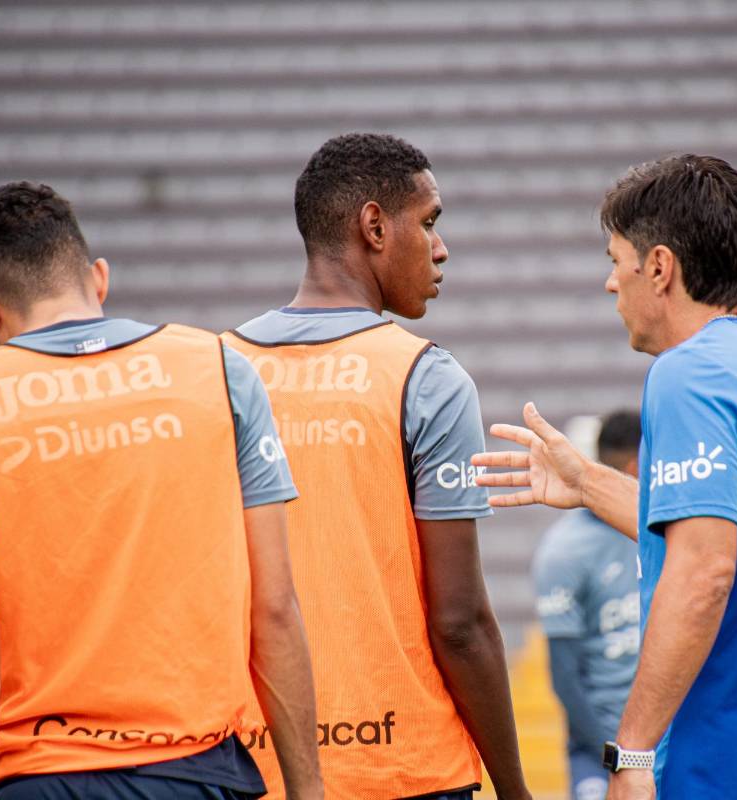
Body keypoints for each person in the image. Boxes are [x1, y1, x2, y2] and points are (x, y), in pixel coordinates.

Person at [0, 182, 322, 799]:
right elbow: (275, 606)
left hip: (36, 779)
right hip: (198, 773)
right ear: (99, 278)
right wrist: (308, 790)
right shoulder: (219, 371)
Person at [474, 155, 737, 799]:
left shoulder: (692, 373)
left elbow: (706, 571)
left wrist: (633, 753)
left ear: (658, 266)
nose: (609, 282)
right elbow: (729, 532)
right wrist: (588, 483)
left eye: (614, 259)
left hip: (728, 768)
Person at [221, 133, 531, 800]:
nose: (441, 247)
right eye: (429, 223)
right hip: (404, 769)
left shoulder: (213, 369)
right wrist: (515, 789)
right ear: (373, 227)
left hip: (251, 767)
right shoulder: (425, 377)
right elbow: (460, 623)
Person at [532, 410, 642, 800]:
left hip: (671, 740)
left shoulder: (669, 529)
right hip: (599, 749)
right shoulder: (564, 552)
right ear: (637, 464)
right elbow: (565, 676)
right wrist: (617, 757)